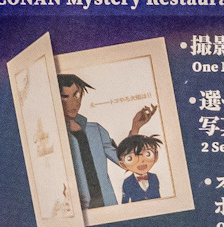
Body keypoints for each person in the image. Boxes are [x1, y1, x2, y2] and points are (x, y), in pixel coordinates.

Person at [58, 74, 157, 210]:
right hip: (76, 208)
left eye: (76, 95)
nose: (73, 103)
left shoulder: (96, 130)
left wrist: (135, 128)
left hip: (106, 203)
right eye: (64, 97)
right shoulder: (55, 135)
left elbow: (124, 161)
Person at [116, 134, 163, 202]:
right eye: (130, 158)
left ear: (156, 156)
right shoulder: (127, 182)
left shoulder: (154, 177)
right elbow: (125, 201)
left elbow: (158, 196)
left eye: (147, 154)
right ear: (122, 164)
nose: (141, 160)